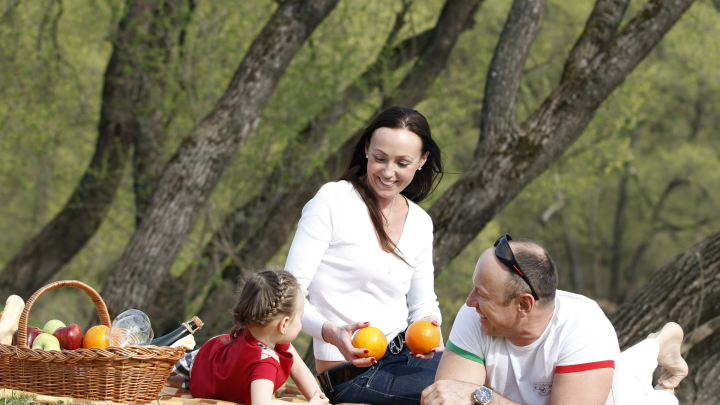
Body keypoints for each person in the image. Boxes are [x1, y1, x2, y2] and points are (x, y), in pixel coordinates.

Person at [284, 106, 445, 404]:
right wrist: (333, 333)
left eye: (402, 162)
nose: (387, 172)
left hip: (408, 358)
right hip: (351, 373)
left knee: (487, 381)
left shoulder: (421, 222)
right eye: (380, 158)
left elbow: (423, 302)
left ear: (422, 161)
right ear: (367, 149)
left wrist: (429, 326)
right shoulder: (333, 201)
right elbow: (287, 295)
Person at [420, 234, 689, 405]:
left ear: (524, 304)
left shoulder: (586, 328)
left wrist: (482, 399)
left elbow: (466, 397)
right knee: (625, 365)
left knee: (651, 396)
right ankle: (658, 342)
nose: (469, 302)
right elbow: (448, 399)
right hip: (591, 374)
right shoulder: (477, 314)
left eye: (482, 294)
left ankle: (661, 359)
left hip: (625, 400)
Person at [169, 270, 328, 405]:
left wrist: (318, 397)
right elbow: (262, 403)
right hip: (205, 364)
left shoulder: (266, 337)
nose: (300, 324)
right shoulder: (265, 360)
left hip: (216, 368)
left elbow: (299, 370)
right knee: (168, 374)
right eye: (300, 317)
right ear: (284, 324)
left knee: (176, 376)